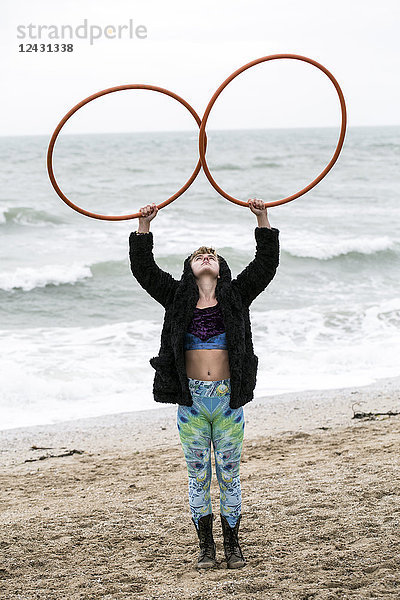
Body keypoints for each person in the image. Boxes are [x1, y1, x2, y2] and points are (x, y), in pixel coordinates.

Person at [129, 200, 280, 569]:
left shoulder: (236, 295)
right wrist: (143, 225)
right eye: (199, 255)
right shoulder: (177, 298)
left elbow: (266, 264)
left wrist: (261, 217)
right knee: (198, 477)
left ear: (220, 268)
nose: (206, 256)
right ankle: (206, 549)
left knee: (230, 475)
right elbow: (144, 270)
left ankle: (233, 547)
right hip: (192, 404)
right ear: (190, 269)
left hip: (228, 401)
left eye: (212, 254)